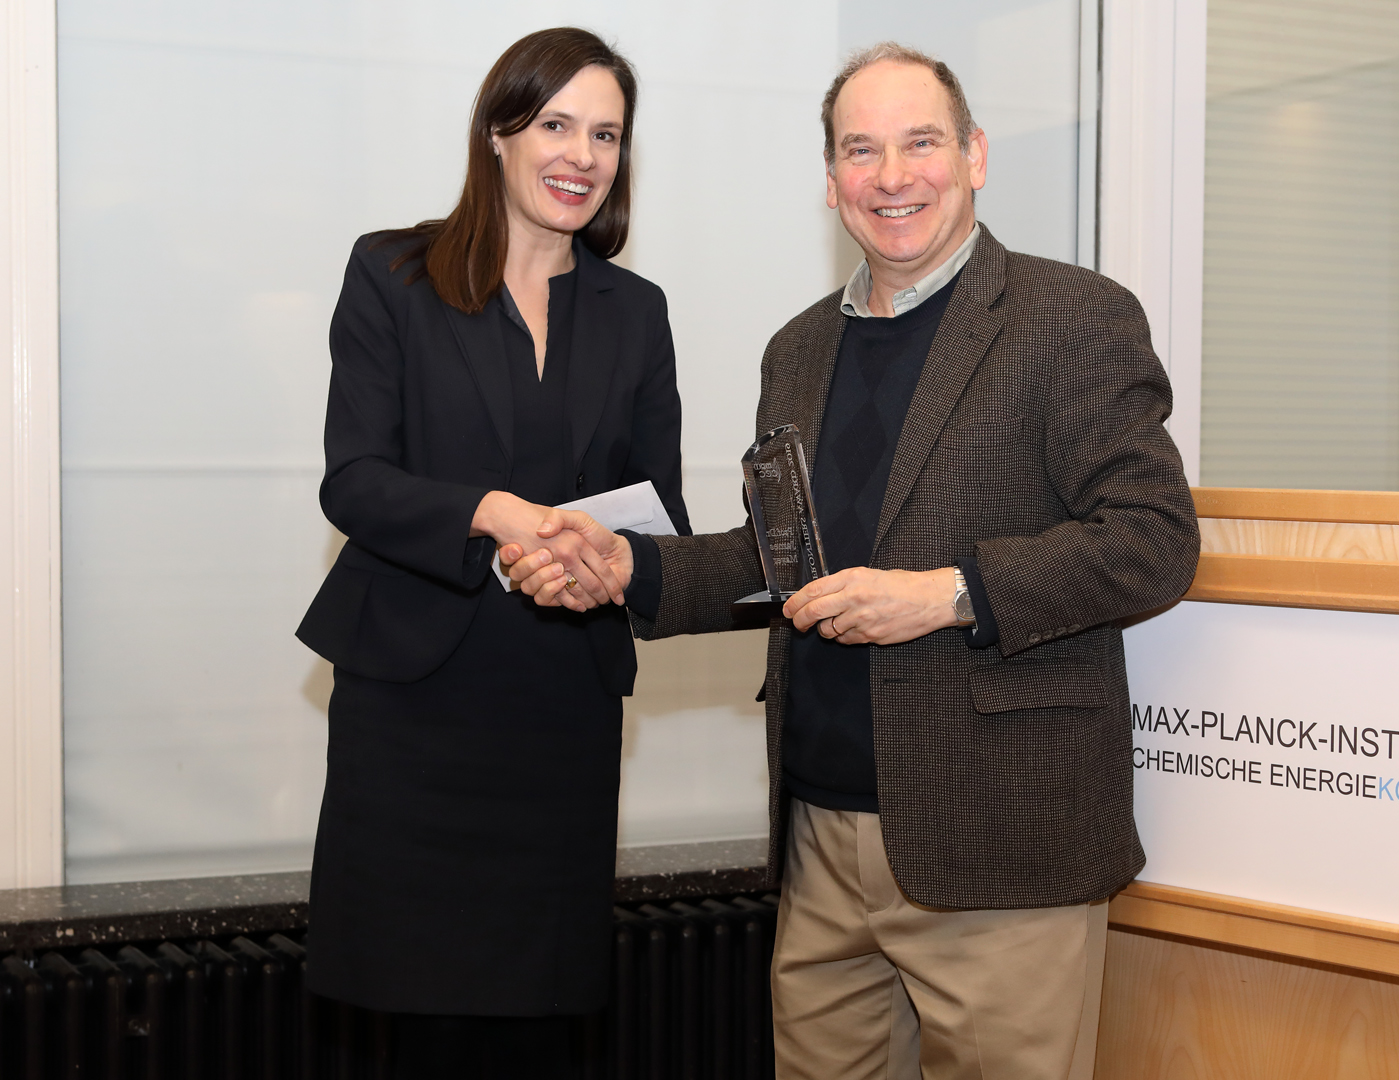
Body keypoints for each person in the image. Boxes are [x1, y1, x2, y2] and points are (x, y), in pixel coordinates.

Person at [511, 41, 1200, 1079]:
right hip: (820, 845)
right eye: (860, 151)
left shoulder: (1071, 319)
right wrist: (631, 570)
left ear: (972, 157)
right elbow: (782, 563)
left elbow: (1152, 541)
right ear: (831, 182)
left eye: (920, 143)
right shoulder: (796, 350)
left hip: (996, 848)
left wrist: (951, 594)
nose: (891, 177)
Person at [294, 27, 687, 1078]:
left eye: (606, 133)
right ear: (499, 132)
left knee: (542, 1030)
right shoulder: (393, 273)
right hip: (417, 716)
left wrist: (595, 557)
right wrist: (497, 513)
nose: (582, 154)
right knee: (416, 1026)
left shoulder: (636, 312)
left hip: (560, 713)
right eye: (557, 123)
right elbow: (356, 479)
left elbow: (663, 516)